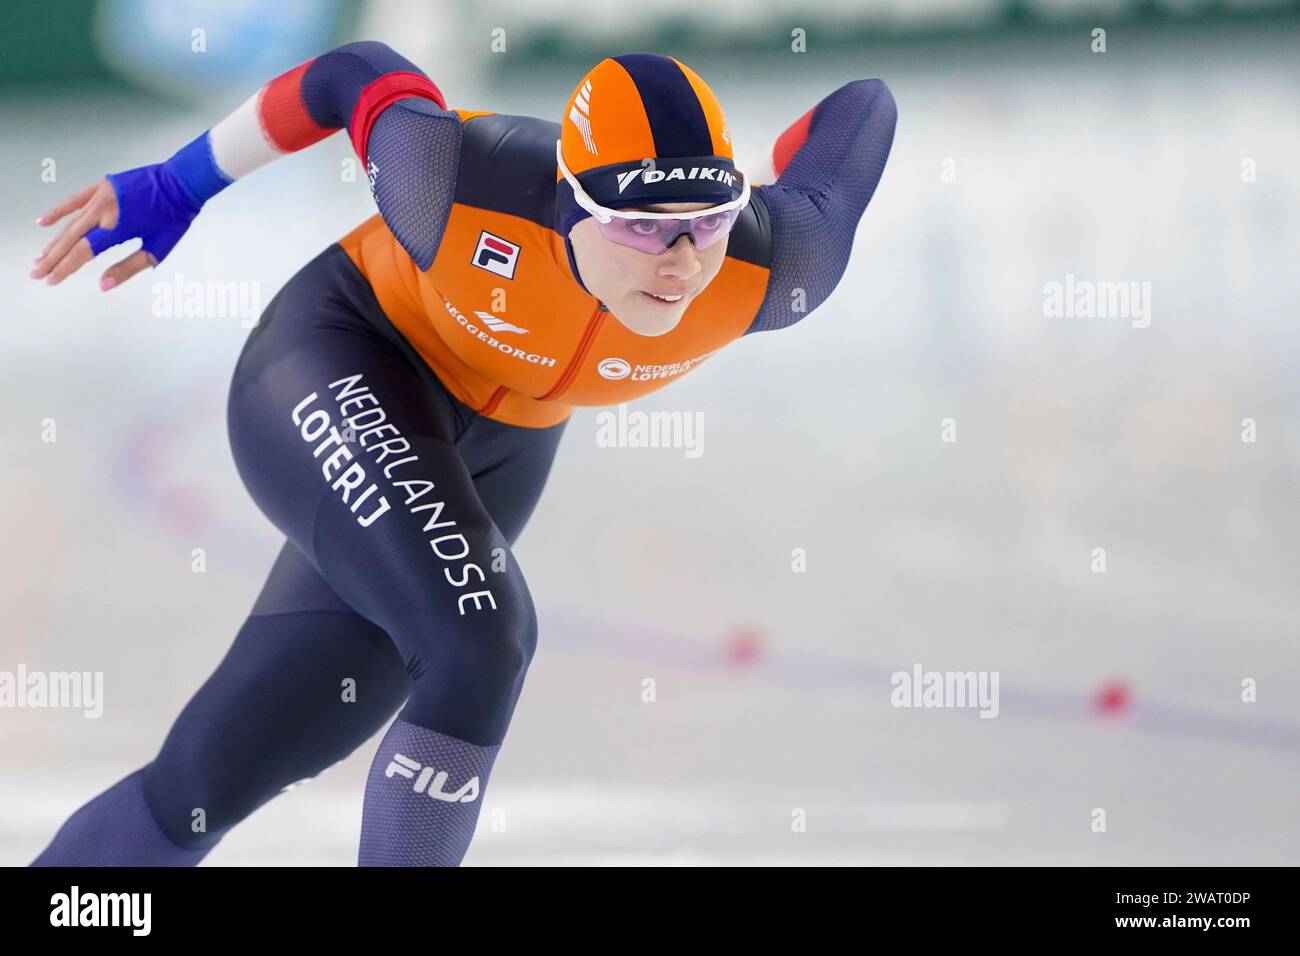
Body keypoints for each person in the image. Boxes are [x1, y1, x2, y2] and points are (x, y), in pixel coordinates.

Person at [29, 45, 896, 866]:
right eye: (637, 229)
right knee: (478, 643)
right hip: (343, 356)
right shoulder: (454, 182)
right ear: (568, 204)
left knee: (215, 777)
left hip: (502, 442)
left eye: (704, 223)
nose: (677, 262)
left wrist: (769, 164)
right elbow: (353, 72)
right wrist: (183, 184)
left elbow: (864, 107)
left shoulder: (779, 263)